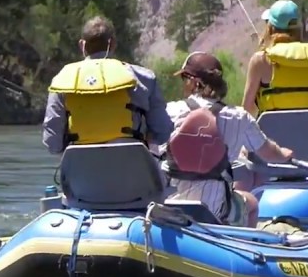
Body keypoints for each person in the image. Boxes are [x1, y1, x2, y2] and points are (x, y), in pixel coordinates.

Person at [162, 52, 293, 227]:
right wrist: (283, 154)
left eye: (184, 79)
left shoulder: (170, 112)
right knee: (251, 203)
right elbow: (268, 153)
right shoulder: (239, 117)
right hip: (216, 210)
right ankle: (243, 248)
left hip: (171, 206)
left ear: (194, 82)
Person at [42, 16, 173, 155]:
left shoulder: (62, 81)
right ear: (113, 44)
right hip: (131, 164)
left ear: (82, 45)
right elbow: (163, 132)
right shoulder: (143, 78)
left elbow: (52, 143)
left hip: (80, 167)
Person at [241, 0, 308, 117]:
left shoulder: (261, 60)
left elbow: (246, 110)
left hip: (272, 134)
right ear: (299, 28)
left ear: (270, 28)